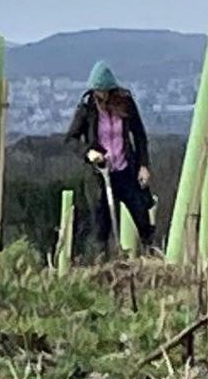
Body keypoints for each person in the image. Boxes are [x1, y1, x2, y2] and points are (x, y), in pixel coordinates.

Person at [65, 62, 159, 252]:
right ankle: (104, 264)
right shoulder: (87, 108)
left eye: (104, 91)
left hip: (126, 171)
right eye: (97, 91)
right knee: (102, 227)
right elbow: (71, 139)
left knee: (142, 218)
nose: (101, 95)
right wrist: (88, 152)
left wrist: (143, 165)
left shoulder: (125, 103)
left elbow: (139, 135)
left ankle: (151, 256)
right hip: (100, 175)